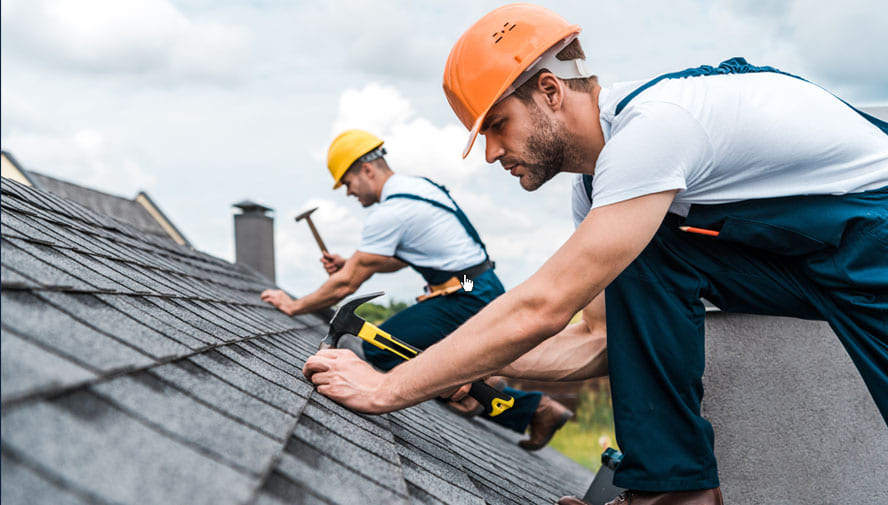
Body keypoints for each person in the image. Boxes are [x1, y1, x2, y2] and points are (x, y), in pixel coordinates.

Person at [301, 4, 888, 505]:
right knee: (646, 255)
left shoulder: (653, 132)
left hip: (873, 235)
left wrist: (391, 386)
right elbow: (601, 338)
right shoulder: (603, 194)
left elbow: (544, 306)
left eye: (498, 126)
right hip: (812, 257)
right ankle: (673, 491)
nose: (491, 154)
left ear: (550, 91)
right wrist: (476, 366)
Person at [261, 128, 573, 450]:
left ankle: (499, 397)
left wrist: (294, 305)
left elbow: (348, 283)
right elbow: (397, 260)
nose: (349, 193)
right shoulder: (418, 188)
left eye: (348, 183)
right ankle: (498, 393)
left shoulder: (392, 210)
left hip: (466, 292)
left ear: (366, 170)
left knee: (381, 347)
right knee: (425, 348)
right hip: (474, 284)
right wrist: (351, 263)